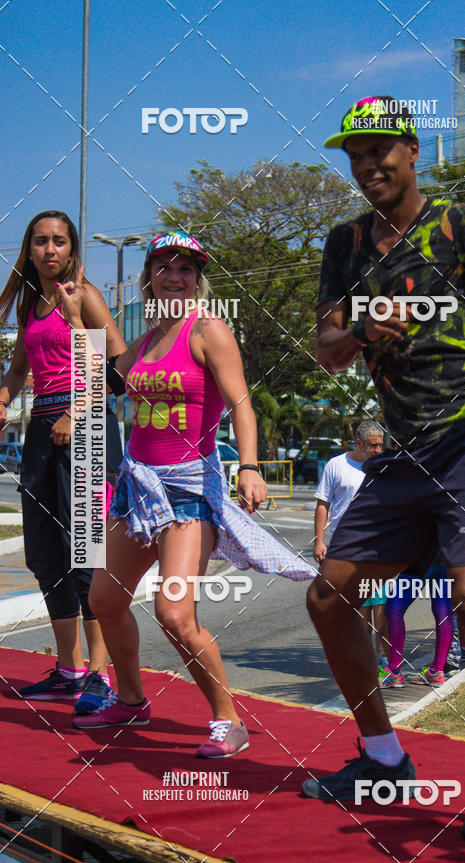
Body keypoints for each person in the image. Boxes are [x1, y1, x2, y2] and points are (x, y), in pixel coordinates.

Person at [302, 95, 465, 841]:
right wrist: (356, 329)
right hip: (400, 452)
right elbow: (326, 345)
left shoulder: (460, 223)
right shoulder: (345, 243)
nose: (368, 165)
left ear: (412, 151)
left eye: (381, 150)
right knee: (328, 598)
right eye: (355, 154)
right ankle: (383, 756)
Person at [63, 230, 315, 757]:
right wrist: (77, 321)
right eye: (163, 267)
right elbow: (102, 382)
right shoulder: (148, 338)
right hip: (139, 487)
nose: (174, 276)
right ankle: (131, 701)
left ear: (198, 280)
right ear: (149, 278)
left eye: (186, 269)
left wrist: (248, 466)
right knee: (104, 599)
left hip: (187, 488)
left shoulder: (208, 331)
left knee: (175, 613)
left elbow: (242, 404)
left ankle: (229, 720)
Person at [0, 210, 125, 711]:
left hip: (89, 427)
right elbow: (16, 371)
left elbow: (117, 367)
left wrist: (78, 412)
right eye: (40, 242)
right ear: (28, 250)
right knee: (45, 554)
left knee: (87, 554)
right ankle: (69, 668)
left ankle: (100, 674)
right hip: (41, 428)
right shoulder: (31, 303)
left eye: (58, 241)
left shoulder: (84, 295)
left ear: (72, 248)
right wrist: (4, 397)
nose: (50, 250)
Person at [313, 421, 387, 663]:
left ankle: (383, 660)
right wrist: (319, 541)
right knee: (359, 605)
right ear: (358, 443)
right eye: (373, 446)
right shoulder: (337, 465)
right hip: (346, 546)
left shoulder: (384, 466)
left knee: (383, 605)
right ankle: (365, 658)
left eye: (380, 445)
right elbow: (323, 504)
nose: (378, 450)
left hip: (378, 545)